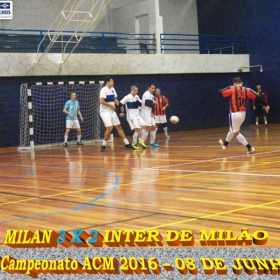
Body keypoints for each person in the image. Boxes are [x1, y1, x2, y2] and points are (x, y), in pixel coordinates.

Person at [218, 77, 270, 154]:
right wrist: (266, 105)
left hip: (234, 114)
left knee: (236, 132)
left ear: (233, 83)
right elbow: (258, 96)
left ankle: (249, 147)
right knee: (232, 130)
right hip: (243, 114)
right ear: (241, 83)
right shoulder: (247, 90)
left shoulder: (232, 88)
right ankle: (225, 144)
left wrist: (227, 89)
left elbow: (220, 92)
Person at [99, 76, 138, 152]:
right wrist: (110, 105)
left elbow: (115, 100)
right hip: (104, 112)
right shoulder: (104, 90)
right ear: (107, 82)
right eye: (111, 81)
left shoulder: (113, 89)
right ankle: (103, 145)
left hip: (112, 112)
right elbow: (101, 101)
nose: (113, 82)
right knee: (109, 128)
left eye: (113, 81)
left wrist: (120, 107)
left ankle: (126, 143)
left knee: (118, 126)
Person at [141, 83, 159, 148]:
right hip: (145, 113)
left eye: (154, 88)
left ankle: (152, 142)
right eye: (152, 88)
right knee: (148, 127)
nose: (153, 89)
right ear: (148, 88)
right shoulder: (147, 94)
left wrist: (152, 112)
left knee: (154, 127)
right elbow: (147, 103)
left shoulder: (151, 95)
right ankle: (142, 141)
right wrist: (154, 103)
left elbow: (150, 106)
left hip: (149, 113)